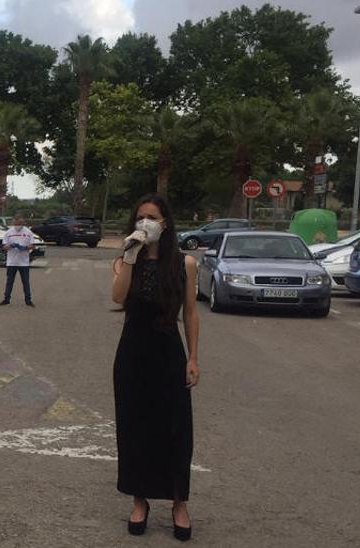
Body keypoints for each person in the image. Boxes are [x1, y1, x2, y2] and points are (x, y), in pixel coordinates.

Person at [110, 194, 200, 541]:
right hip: (133, 351)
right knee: (134, 427)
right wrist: (130, 255)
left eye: (152, 217)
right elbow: (118, 298)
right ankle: (139, 500)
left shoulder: (184, 263)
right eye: (140, 217)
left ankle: (179, 503)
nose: (145, 223)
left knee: (176, 428)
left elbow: (190, 313)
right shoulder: (124, 261)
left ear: (165, 223)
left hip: (168, 350)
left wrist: (193, 358)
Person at [0, 212, 36, 307]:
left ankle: (28, 300)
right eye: (17, 223)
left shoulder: (28, 232)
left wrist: (25, 248)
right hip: (12, 262)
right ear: (13, 222)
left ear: (23, 223)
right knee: (9, 282)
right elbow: (4, 247)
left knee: (26, 282)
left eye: (20, 223)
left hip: (24, 262)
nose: (18, 226)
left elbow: (33, 245)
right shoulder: (8, 233)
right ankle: (6, 299)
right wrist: (10, 246)